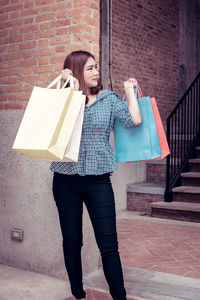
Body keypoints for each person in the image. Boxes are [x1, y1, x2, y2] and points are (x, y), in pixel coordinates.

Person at [50, 50, 142, 300]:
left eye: (96, 67)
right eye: (90, 68)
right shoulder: (66, 100)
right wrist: (65, 84)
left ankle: (119, 296)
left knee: (109, 247)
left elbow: (134, 120)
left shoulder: (109, 99)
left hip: (98, 181)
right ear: (78, 71)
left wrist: (130, 91)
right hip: (65, 179)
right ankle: (78, 293)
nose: (96, 71)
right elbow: (50, 122)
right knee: (72, 242)